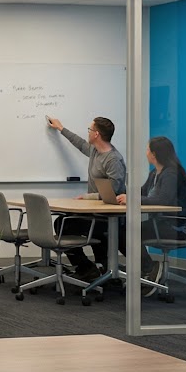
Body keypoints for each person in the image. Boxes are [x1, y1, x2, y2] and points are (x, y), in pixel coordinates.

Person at [44, 115, 126, 279]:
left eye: (90, 129)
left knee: (64, 224)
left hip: (108, 218)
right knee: (63, 222)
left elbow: (114, 192)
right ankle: (90, 268)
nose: (88, 132)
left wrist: (88, 197)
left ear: (96, 134)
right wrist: (61, 128)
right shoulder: (96, 151)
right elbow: (80, 144)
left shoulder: (113, 160)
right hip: (95, 213)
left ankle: (92, 268)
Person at [116, 136, 186, 282]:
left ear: (154, 154)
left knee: (126, 231)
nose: (145, 153)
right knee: (121, 229)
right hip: (161, 222)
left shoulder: (171, 173)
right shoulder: (155, 173)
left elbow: (163, 200)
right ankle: (148, 268)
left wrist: (131, 199)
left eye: (147, 150)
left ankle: (149, 268)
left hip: (175, 226)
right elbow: (142, 192)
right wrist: (121, 194)